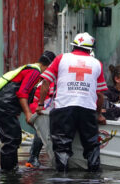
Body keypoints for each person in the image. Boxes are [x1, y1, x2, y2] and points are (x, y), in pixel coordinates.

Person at [36, 32, 108, 172]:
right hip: (87, 109)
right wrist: (98, 115)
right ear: (90, 49)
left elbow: (45, 82)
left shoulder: (61, 58)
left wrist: (40, 105)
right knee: (92, 146)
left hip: (64, 108)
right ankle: (93, 179)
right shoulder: (97, 63)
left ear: (73, 46)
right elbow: (99, 95)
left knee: (61, 146)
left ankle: (62, 179)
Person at [0, 50, 56, 170]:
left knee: (13, 139)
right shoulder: (35, 72)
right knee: (12, 139)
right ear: (48, 66)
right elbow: (22, 93)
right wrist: (27, 114)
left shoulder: (31, 70)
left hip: (2, 105)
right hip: (3, 105)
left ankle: (11, 170)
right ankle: (8, 174)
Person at [25, 81, 56, 168]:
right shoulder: (47, 83)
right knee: (42, 131)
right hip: (42, 110)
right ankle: (33, 157)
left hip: (52, 110)